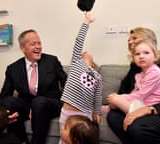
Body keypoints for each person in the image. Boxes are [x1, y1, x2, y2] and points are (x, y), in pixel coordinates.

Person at [0, 29, 67, 144]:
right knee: (8, 101)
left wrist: (71, 104)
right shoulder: (13, 69)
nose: (38, 47)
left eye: (39, 43)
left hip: (50, 104)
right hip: (28, 106)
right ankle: (21, 141)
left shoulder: (51, 61)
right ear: (23, 48)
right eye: (33, 44)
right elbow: (4, 94)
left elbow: (66, 83)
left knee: (39, 102)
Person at [59, 12, 102, 144]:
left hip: (84, 115)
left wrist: (98, 113)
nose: (84, 52)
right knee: (64, 138)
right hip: (67, 112)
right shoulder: (76, 63)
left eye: (87, 54)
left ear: (93, 64)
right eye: (82, 53)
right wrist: (86, 22)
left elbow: (98, 96)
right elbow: (79, 41)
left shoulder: (97, 76)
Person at [107, 40, 160, 114]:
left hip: (154, 107)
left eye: (146, 53)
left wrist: (119, 98)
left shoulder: (155, 73)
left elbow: (140, 95)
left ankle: (127, 112)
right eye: (137, 54)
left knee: (115, 99)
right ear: (133, 59)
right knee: (114, 101)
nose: (141, 56)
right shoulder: (140, 75)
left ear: (155, 57)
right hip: (144, 103)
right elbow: (135, 93)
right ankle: (110, 108)